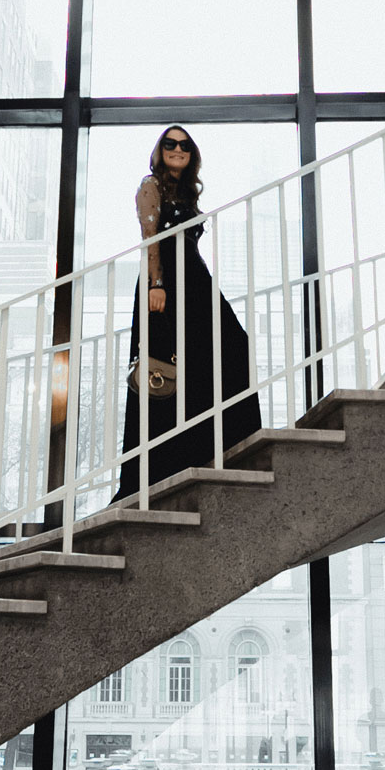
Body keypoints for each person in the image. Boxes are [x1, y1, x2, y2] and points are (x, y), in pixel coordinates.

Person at [117, 127, 261, 498]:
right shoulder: (151, 186)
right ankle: (158, 468)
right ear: (160, 150)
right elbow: (151, 240)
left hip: (196, 283)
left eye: (184, 145)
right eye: (170, 144)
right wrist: (156, 284)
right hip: (167, 284)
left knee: (230, 347)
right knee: (164, 368)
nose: (177, 150)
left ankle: (213, 447)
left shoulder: (184, 192)